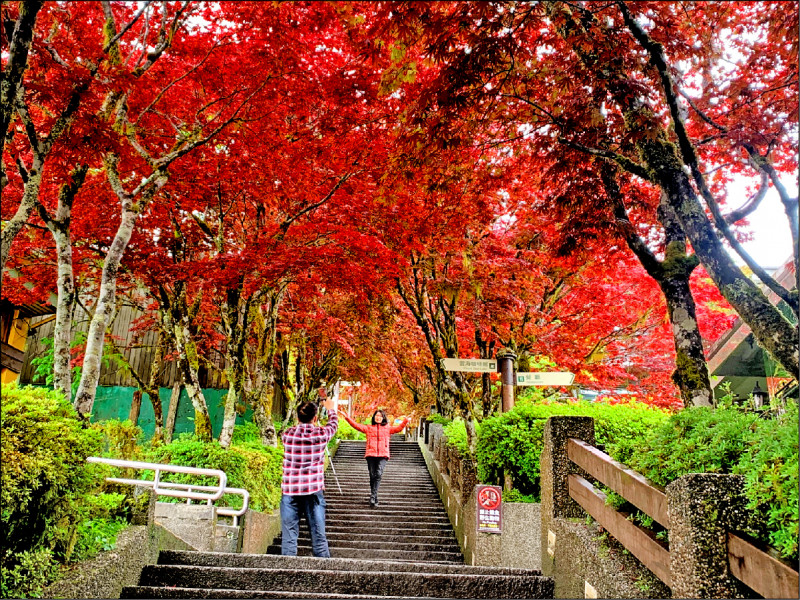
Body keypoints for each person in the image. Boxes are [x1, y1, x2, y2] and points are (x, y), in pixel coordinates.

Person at [280, 401, 338, 557]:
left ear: (298, 417)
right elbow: (333, 425)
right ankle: (324, 575)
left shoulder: (287, 435)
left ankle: (285, 573)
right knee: (319, 537)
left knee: (289, 538)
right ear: (315, 417)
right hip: (313, 491)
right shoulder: (321, 434)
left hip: (290, 491)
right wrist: (331, 409)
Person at [341, 410, 409, 507]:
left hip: (383, 454)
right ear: (374, 417)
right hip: (371, 454)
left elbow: (398, 429)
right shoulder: (369, 428)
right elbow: (357, 426)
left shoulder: (387, 428)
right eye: (377, 415)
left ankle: (373, 496)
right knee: (372, 475)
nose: (378, 417)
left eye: (380, 416)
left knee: (378, 473)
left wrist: (406, 420)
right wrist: (347, 418)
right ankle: (374, 497)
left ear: (383, 418)